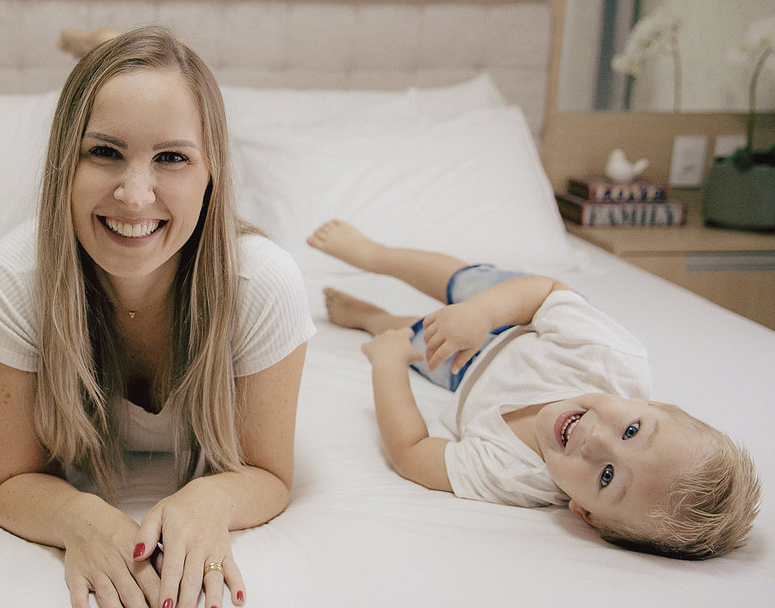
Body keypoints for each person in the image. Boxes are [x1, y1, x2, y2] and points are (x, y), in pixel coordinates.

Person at [0, 26, 315, 608]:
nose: (134, 196)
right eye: (104, 151)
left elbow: (268, 474)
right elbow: (8, 481)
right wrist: (78, 517)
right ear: (62, 164)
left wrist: (211, 499)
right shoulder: (13, 278)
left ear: (211, 173)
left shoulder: (264, 282)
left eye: (172, 158)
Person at [308, 219, 760, 559]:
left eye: (606, 477)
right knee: (466, 285)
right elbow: (545, 291)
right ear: (652, 403)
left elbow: (413, 453)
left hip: (473, 376)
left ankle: (372, 318)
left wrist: (388, 365)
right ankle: (376, 255)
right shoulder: (604, 354)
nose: (595, 441)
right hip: (522, 320)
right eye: (632, 430)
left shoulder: (518, 477)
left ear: (585, 513)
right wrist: (481, 315)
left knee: (414, 343)